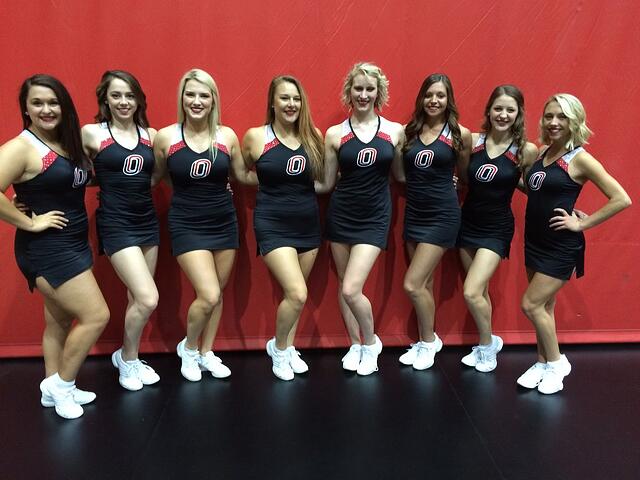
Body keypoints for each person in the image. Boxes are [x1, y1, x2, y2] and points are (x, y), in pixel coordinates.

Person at [0, 75, 109, 419]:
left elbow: (57, 183)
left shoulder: (66, 142)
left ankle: (53, 388)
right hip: (46, 249)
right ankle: (61, 385)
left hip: (73, 241)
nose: (46, 109)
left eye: (53, 102)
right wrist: (30, 222)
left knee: (59, 323)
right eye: (37, 103)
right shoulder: (23, 147)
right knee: (96, 316)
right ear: (26, 109)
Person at [518, 93, 631, 394]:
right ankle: (542, 362)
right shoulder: (543, 153)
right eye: (549, 116)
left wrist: (582, 222)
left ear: (574, 121)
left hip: (560, 246)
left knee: (531, 304)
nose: (554, 122)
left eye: (562, 117)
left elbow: (622, 198)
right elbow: (537, 190)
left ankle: (557, 364)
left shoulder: (580, 158)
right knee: (546, 306)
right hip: (534, 240)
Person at [154, 68, 256, 381]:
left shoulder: (226, 137)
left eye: (204, 95)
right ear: (182, 98)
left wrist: (288, 177)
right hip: (186, 221)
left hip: (223, 220)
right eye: (191, 94)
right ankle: (188, 347)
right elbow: (158, 176)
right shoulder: (166, 137)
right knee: (209, 293)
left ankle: (205, 352)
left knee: (218, 294)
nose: (197, 101)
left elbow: (240, 175)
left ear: (213, 100)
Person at [322, 62, 404, 376]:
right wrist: (280, 181)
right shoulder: (334, 134)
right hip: (341, 213)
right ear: (349, 91)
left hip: (375, 216)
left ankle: (370, 343)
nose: (364, 94)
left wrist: (441, 179)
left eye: (370, 89)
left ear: (378, 92)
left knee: (350, 289)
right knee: (344, 284)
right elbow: (327, 183)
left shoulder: (394, 131)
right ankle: (354, 344)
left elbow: (399, 175)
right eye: (358, 88)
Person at [82, 70, 161, 391]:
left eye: (129, 95)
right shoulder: (91, 133)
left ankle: (130, 356)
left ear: (138, 99)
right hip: (115, 222)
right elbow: (70, 167)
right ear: (105, 99)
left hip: (147, 220)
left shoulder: (150, 135)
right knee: (148, 297)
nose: (123, 102)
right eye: (116, 95)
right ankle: (128, 360)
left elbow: (153, 177)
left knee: (135, 298)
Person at [242, 75, 324, 381]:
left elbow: (320, 179)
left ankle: (288, 347)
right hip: (272, 222)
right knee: (297, 293)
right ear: (272, 102)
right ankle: (277, 348)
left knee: (295, 296)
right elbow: (241, 173)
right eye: (285, 98)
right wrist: (267, 183)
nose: (291, 104)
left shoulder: (312, 135)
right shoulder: (255, 136)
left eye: (296, 99)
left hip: (307, 222)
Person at [457, 85, 538, 372]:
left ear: (519, 115)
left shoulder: (526, 150)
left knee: (471, 291)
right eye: (498, 108)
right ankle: (484, 344)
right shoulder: (474, 141)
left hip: (496, 227)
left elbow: (534, 187)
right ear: (489, 110)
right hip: (468, 222)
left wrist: (567, 206)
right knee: (480, 292)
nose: (503, 115)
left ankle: (488, 345)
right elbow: (466, 178)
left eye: (510, 110)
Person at [398, 73, 472, 371]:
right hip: (414, 212)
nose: (434, 100)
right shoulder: (410, 132)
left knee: (412, 284)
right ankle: (424, 341)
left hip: (443, 215)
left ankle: (429, 342)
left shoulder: (459, 134)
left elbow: (465, 175)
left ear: (448, 99)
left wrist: (453, 183)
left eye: (440, 95)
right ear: (421, 99)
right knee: (424, 283)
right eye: (429, 95)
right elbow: (401, 175)